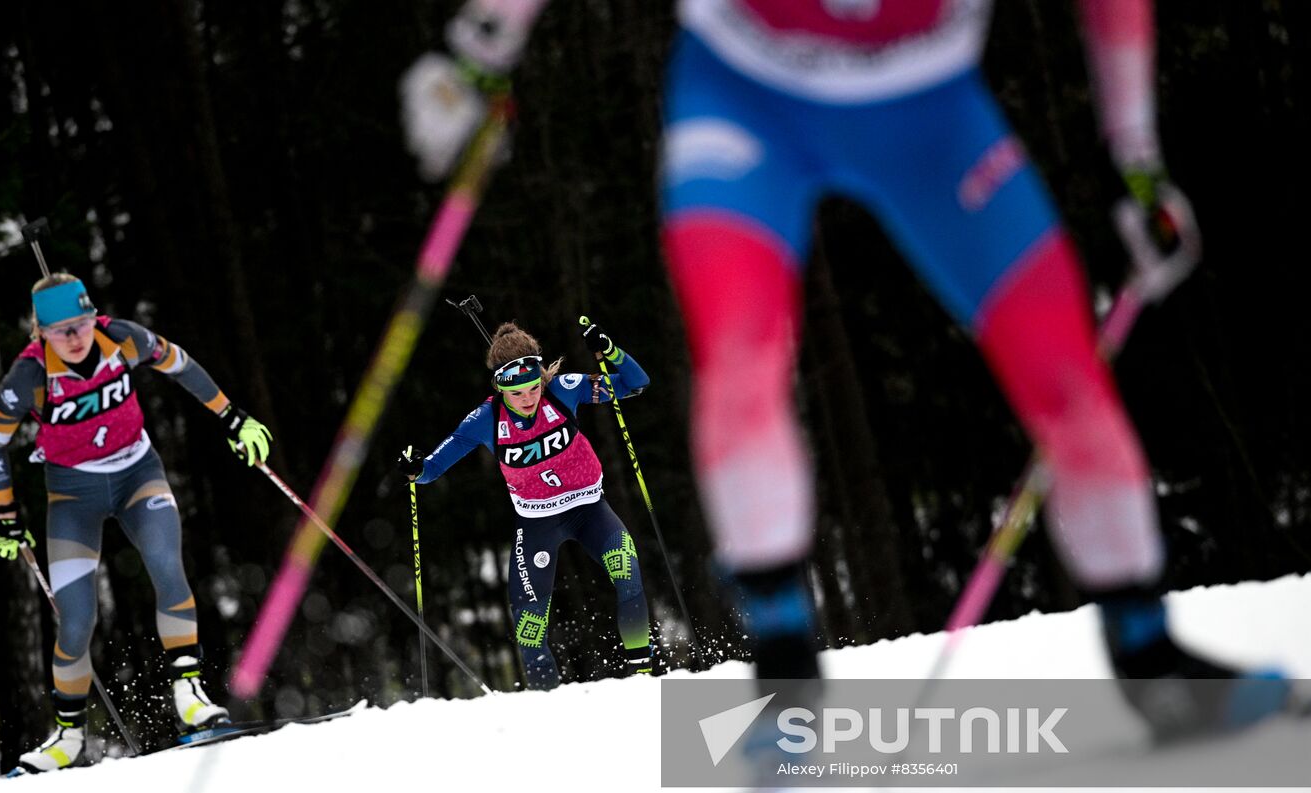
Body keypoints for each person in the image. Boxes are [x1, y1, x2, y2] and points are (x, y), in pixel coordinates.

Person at [400, 0, 1290, 738]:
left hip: (930, 105)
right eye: (510, 382)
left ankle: (1148, 657)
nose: (521, 389)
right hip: (744, 93)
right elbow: (452, 445)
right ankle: (788, 685)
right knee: (741, 359)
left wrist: (1134, 155)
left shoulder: (557, 391)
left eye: (527, 379)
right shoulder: (497, 413)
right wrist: (482, 52)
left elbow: (622, 385)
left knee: (1063, 373)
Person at [0, 273, 273, 772]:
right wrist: (7, 517)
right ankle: (68, 739)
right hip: (72, 496)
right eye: (60, 331)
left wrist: (232, 418)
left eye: (80, 324)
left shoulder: (122, 338)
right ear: (40, 334)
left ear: (93, 316)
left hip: (138, 473)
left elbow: (180, 363)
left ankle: (190, 696)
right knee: (75, 619)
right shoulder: (28, 377)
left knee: (166, 565)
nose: (74, 338)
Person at [399, 321, 653, 689]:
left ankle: (642, 681)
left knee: (627, 571)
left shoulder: (563, 390)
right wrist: (415, 467)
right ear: (500, 388)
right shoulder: (485, 419)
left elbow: (636, 383)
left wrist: (611, 350)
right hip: (538, 524)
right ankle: (543, 710)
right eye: (517, 393)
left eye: (534, 387)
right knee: (530, 627)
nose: (529, 398)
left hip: (589, 509)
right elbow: (430, 470)